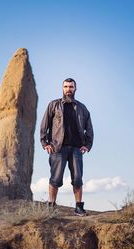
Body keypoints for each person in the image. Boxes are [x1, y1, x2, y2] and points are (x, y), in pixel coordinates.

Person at [40, 78, 94, 216]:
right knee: (55, 178)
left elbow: (89, 127)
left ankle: (79, 207)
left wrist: (87, 145)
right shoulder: (54, 105)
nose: (68, 89)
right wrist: (45, 143)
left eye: (71, 86)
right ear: (62, 88)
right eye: (66, 86)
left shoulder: (82, 108)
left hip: (76, 148)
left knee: (77, 178)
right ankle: (51, 205)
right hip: (58, 148)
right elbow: (44, 125)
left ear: (75, 88)